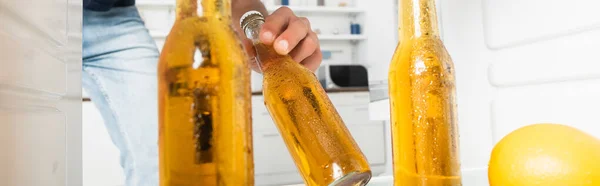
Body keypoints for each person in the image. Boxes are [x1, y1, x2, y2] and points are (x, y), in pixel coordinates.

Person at [82, 0, 322, 185]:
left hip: (112, 19)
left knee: (163, 157)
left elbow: (237, 3)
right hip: (45, 10)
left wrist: (260, 30)